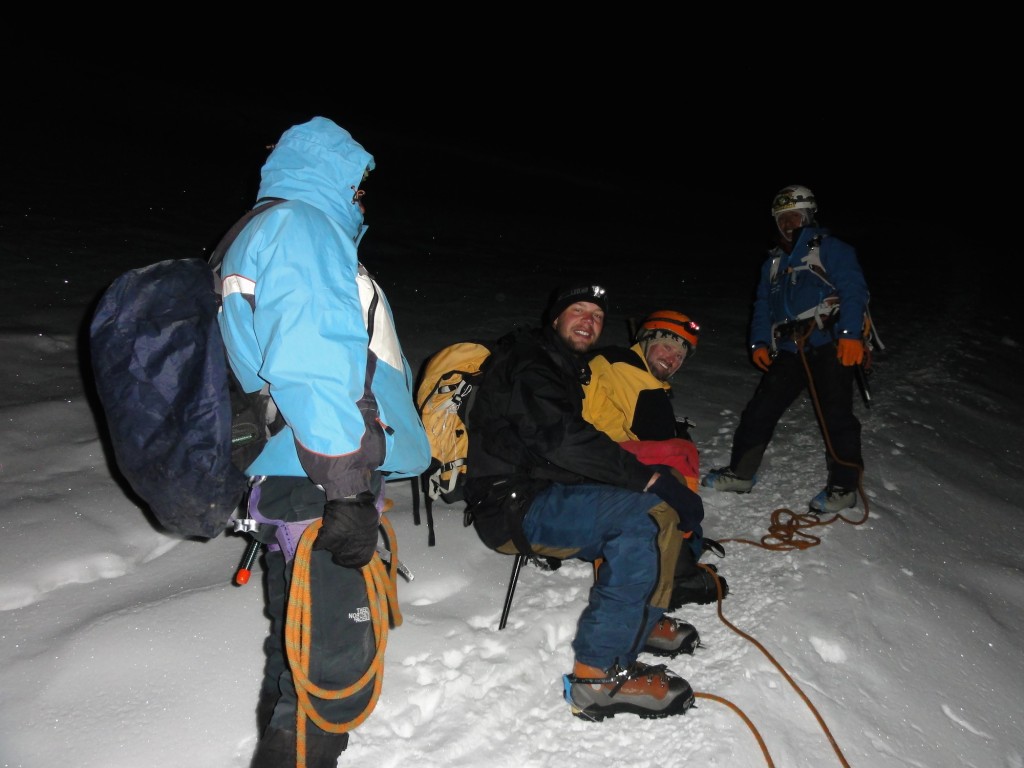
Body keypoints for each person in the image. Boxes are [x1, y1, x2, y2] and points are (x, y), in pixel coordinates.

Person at [217, 117, 430, 767]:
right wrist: (345, 491)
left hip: (305, 473)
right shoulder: (302, 230)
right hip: (317, 480)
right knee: (322, 677)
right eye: (360, 181)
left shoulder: (280, 230)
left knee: (306, 655)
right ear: (335, 174)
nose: (364, 195)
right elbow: (311, 364)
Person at [465, 284, 706, 721]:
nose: (588, 322)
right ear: (554, 317)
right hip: (513, 505)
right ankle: (598, 677)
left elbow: (568, 448)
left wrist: (653, 482)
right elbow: (561, 439)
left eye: (596, 316)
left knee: (660, 505)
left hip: (544, 488)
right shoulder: (529, 361)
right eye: (578, 311)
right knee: (644, 517)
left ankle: (639, 624)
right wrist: (648, 479)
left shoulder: (561, 365)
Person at [701, 184, 869, 514]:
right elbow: (762, 304)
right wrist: (759, 341)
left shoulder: (832, 249)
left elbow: (854, 290)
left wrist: (850, 334)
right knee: (760, 410)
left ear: (808, 216)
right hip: (792, 349)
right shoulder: (774, 263)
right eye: (783, 219)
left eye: (795, 216)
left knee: (836, 418)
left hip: (829, 343)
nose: (789, 223)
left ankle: (844, 487)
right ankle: (742, 474)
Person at [584, 311, 729, 608]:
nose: (672, 358)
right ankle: (675, 567)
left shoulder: (622, 364)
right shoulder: (630, 372)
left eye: (680, 355)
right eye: (666, 346)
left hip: (588, 451)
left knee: (674, 451)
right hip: (583, 462)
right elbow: (657, 434)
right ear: (646, 340)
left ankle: (682, 542)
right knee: (676, 457)